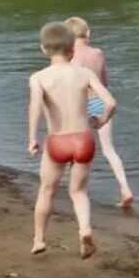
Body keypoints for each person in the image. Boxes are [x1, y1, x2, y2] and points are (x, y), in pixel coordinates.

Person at [27, 21, 115, 259]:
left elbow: (35, 106)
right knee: (78, 192)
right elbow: (110, 102)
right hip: (83, 140)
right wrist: (101, 120)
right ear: (72, 49)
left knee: (47, 191)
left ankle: (38, 240)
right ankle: (85, 229)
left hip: (58, 141)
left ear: (43, 49)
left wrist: (33, 138)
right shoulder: (84, 73)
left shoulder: (39, 78)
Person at [65, 16, 135, 208]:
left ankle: (79, 191)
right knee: (109, 149)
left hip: (82, 104)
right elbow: (104, 81)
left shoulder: (71, 58)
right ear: (87, 34)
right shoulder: (98, 53)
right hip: (100, 101)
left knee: (78, 150)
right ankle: (125, 188)